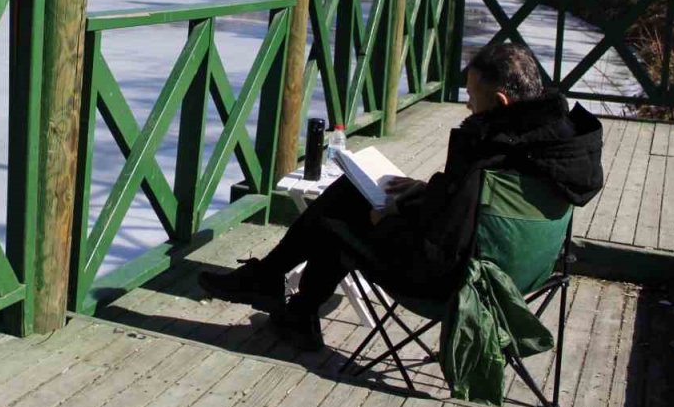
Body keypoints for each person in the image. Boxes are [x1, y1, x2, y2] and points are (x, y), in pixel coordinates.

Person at [198, 43, 604, 350]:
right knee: (349, 202)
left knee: (338, 214)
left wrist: (393, 217)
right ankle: (290, 307)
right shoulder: (556, 145)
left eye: (472, 95)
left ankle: (275, 288)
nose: (467, 103)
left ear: (500, 102)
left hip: (458, 283)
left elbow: (441, 242)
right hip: (521, 273)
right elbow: (480, 208)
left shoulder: (489, 147)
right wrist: (427, 192)